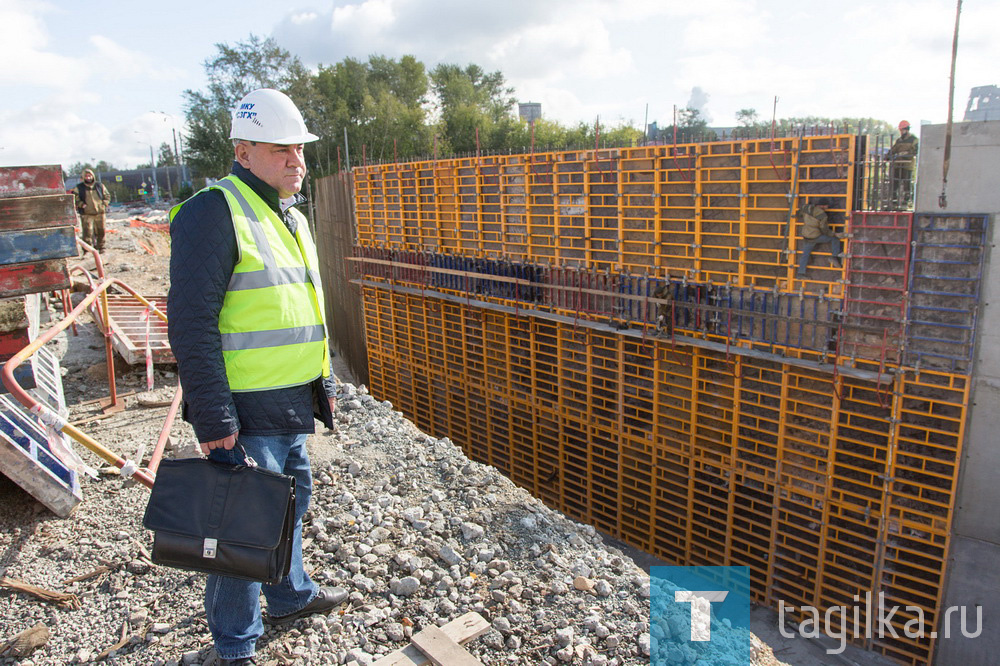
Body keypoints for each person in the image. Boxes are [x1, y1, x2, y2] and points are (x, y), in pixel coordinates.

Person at [167, 88, 338, 666]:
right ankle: (233, 650)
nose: (298, 162)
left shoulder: (286, 214)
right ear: (243, 152)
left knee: (289, 506)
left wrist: (323, 384)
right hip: (245, 407)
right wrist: (214, 417)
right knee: (242, 530)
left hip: (290, 401)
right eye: (282, 151)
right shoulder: (212, 213)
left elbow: (298, 310)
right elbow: (190, 325)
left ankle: (289, 596)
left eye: (301, 150)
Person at [795, 197, 844, 277]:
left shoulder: (807, 207)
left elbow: (798, 214)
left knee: (805, 255)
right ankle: (834, 257)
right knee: (834, 239)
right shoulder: (822, 215)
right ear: (823, 206)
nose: (828, 208)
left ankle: (800, 273)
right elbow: (824, 230)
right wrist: (835, 234)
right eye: (827, 206)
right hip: (815, 236)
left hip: (806, 235)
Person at [74, 168, 111, 251]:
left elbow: (107, 196)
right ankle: (88, 250)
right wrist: (81, 204)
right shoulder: (79, 188)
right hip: (87, 214)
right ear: (83, 177)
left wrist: (104, 204)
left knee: (101, 231)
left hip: (100, 213)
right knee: (87, 233)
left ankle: (101, 247)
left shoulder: (99, 186)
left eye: (89, 175)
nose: (88, 177)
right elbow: (75, 198)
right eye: (86, 176)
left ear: (93, 176)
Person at [887, 120, 919, 210]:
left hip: (907, 165)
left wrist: (905, 154)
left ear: (907, 129)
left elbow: (915, 151)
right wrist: (888, 156)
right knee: (895, 184)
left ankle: (906, 203)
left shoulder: (914, 139)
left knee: (907, 184)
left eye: (902, 130)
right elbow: (893, 150)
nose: (901, 132)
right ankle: (893, 203)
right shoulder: (899, 140)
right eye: (900, 130)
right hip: (898, 165)